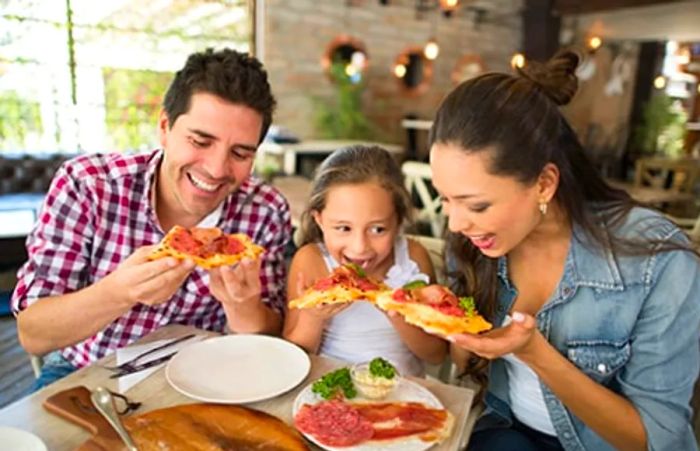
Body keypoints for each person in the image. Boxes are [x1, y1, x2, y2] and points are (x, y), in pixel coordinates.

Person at [428, 49, 700, 451]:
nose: (454, 224)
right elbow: (469, 368)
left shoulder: (657, 260)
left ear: (543, 184)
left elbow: (655, 438)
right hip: (506, 432)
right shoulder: (475, 241)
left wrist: (536, 353)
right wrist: (451, 322)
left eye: (476, 205)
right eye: (445, 200)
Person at [11, 48, 292, 388]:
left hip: (210, 375)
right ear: (164, 127)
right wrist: (119, 292)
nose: (217, 169)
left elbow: (268, 335)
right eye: (200, 141)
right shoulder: (87, 185)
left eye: (240, 153)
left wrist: (244, 308)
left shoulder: (265, 210)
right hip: (88, 370)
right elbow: (33, 334)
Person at [283, 145, 447, 376]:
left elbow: (436, 355)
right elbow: (293, 356)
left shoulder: (413, 258)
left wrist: (399, 312)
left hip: (403, 396)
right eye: (343, 228)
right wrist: (312, 317)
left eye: (378, 229)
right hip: (330, 394)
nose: (359, 247)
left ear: (398, 221)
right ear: (319, 220)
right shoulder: (311, 261)